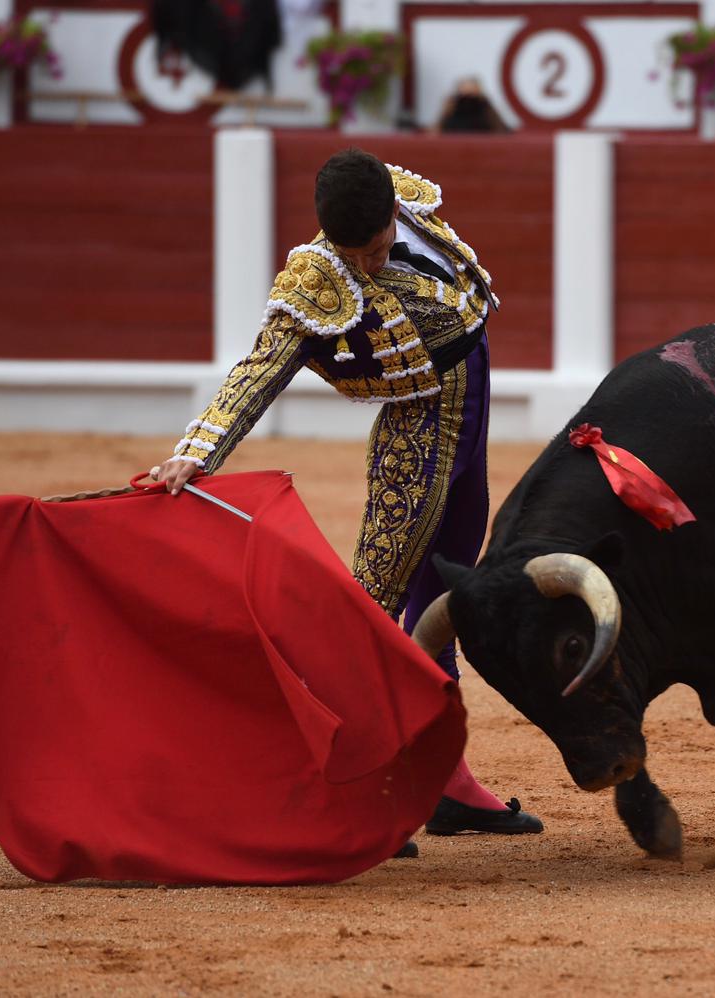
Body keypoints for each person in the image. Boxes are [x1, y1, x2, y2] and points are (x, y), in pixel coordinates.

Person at [150, 148, 543, 847]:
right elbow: (259, 370)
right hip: (419, 430)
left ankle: (444, 781)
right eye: (352, 254)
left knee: (443, 597)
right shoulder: (315, 279)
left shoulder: (410, 206)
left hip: (472, 397)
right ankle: (345, 785)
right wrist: (195, 453)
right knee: (368, 606)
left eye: (376, 250)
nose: (365, 267)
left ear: (395, 211)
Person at [435, 76, 510, 134]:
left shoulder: (488, 112)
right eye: (464, 97)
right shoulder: (450, 111)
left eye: (472, 96)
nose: (468, 101)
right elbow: (436, 134)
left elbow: (500, 133)